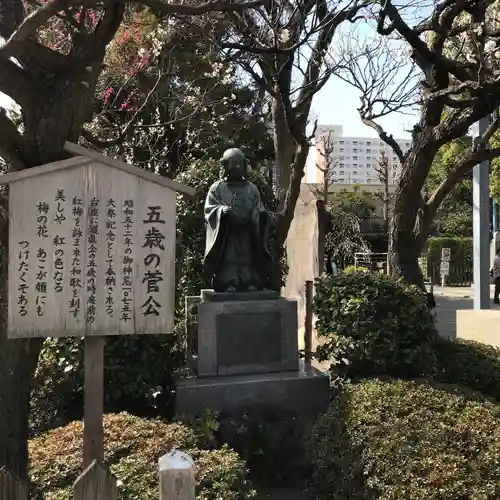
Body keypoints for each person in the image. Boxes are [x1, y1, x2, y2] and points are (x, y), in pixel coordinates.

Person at [203, 148, 275, 293]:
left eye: (239, 163)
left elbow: (259, 208)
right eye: (233, 163)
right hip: (227, 232)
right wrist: (220, 212)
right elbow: (209, 210)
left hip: (248, 231)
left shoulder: (252, 189)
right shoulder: (217, 188)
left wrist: (259, 216)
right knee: (229, 258)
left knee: (249, 257)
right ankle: (229, 283)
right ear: (225, 165)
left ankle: (251, 282)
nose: (236, 167)